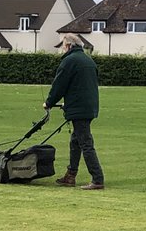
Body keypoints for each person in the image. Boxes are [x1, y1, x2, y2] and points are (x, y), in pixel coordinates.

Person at [44, 33, 105, 190]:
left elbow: (59, 85)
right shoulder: (88, 60)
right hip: (89, 106)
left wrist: (49, 103)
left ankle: (97, 179)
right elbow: (82, 86)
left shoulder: (69, 61)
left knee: (85, 143)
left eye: (63, 46)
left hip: (79, 109)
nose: (62, 49)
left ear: (69, 45)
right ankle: (70, 175)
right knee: (76, 141)